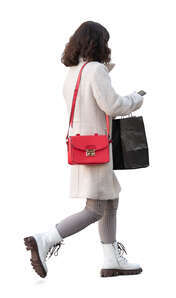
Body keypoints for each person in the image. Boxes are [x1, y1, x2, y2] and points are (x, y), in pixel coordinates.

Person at [24, 21, 145, 278]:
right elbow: (112, 105)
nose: (108, 46)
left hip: (84, 147)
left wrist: (104, 72)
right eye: (106, 41)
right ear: (98, 42)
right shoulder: (95, 71)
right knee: (95, 209)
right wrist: (135, 98)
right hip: (98, 149)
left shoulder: (74, 72)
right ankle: (45, 238)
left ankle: (112, 259)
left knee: (110, 198)